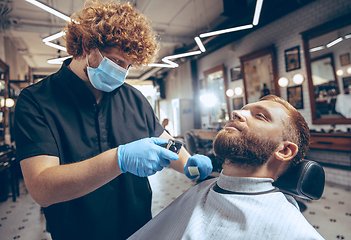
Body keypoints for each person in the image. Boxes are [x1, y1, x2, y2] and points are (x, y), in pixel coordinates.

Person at [14, 1, 212, 240]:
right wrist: (119, 159)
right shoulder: (37, 101)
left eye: (128, 66)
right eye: (117, 61)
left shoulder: (134, 98)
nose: (122, 72)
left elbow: (167, 143)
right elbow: (42, 189)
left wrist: (189, 163)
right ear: (88, 46)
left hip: (139, 230)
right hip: (75, 233)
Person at [128, 95, 324, 240]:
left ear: (285, 150)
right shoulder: (202, 190)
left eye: (261, 116)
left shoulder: (293, 231)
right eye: (242, 109)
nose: (237, 113)